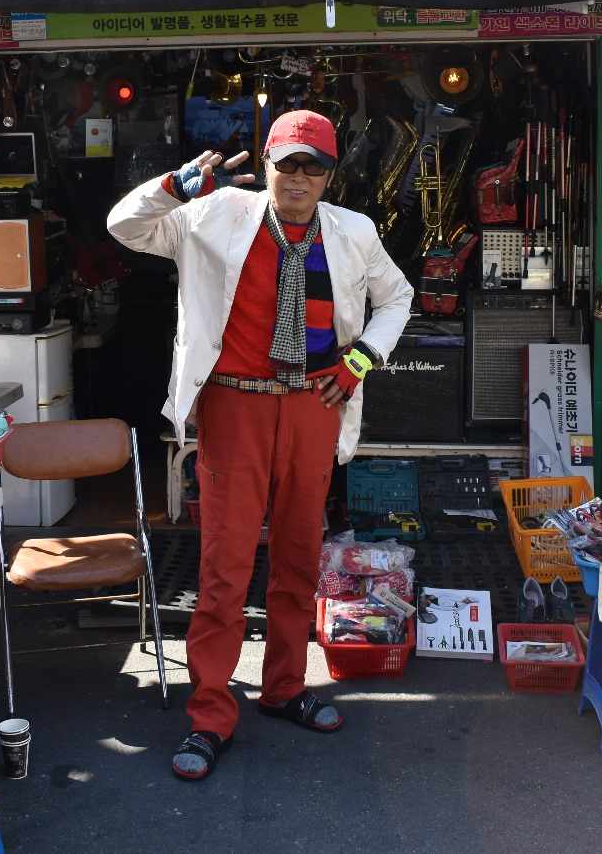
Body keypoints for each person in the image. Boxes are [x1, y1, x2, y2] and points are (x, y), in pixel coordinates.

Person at [108, 109, 413, 780]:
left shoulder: (354, 232)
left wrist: (361, 359)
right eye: (289, 162)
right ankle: (211, 714)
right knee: (223, 567)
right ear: (268, 162)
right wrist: (173, 189)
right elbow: (124, 226)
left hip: (313, 406)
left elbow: (399, 298)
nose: (299, 177)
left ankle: (283, 687)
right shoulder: (212, 215)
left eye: (315, 166)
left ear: (331, 175)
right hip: (235, 404)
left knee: (300, 557)